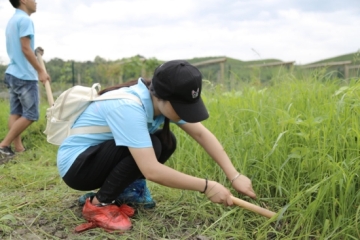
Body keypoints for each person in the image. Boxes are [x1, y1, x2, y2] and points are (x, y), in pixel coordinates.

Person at [57, 60, 257, 232]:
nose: (185, 113)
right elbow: (151, 170)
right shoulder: (129, 107)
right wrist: (207, 186)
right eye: (181, 107)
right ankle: (99, 205)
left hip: (97, 158)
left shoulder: (157, 102)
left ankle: (126, 191)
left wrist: (234, 175)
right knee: (152, 144)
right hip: (78, 167)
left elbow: (201, 133)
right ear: (161, 96)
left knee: (165, 141)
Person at [0, 0, 50, 158]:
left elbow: (23, 48)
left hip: (13, 72)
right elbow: (25, 48)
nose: (36, 1)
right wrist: (40, 70)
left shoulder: (13, 21)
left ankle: (18, 148)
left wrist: (35, 52)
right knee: (31, 114)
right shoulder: (25, 20)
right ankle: (3, 145)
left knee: (16, 112)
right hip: (24, 76)